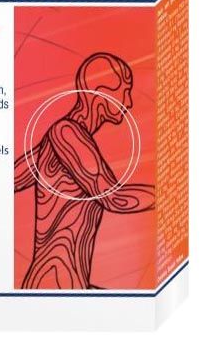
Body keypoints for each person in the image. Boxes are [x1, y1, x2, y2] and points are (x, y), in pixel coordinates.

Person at [16, 52, 154, 289]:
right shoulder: (66, 134)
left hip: (65, 286)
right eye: (124, 91)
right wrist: (171, 194)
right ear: (101, 93)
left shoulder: (62, 138)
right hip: (55, 287)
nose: (129, 102)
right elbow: (115, 199)